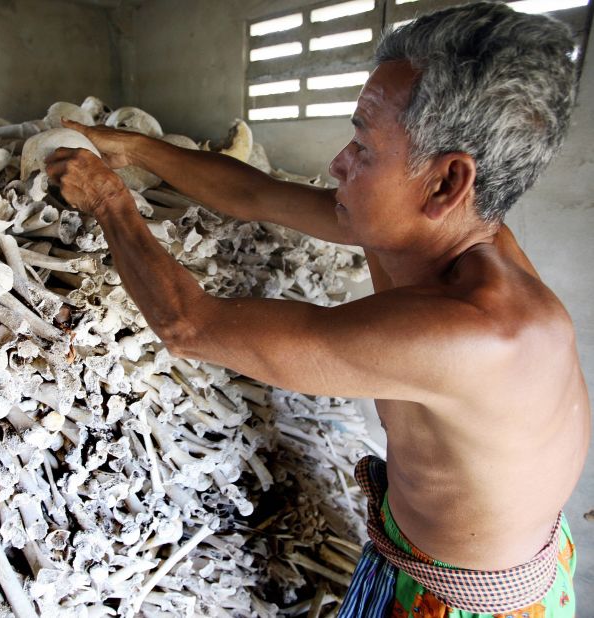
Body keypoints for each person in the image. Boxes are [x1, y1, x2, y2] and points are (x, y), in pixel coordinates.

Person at [45, 2, 589, 615]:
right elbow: (257, 193)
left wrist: (110, 203)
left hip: (466, 602)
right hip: (427, 548)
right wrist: (132, 148)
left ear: (444, 183)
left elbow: (189, 326)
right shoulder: (431, 231)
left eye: (362, 145)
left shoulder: (472, 333)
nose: (337, 164)